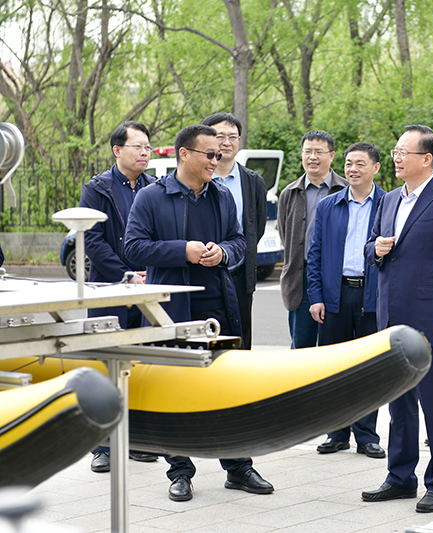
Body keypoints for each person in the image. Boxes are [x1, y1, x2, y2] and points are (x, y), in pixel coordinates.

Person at [125, 124, 273, 501]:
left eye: (219, 155)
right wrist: (183, 251)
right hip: (172, 312)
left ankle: (238, 467)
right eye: (209, 154)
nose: (216, 160)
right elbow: (134, 248)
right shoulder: (151, 197)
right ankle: (180, 471)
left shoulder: (221, 195)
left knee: (229, 389)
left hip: (219, 308)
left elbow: (239, 241)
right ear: (184, 154)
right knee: (173, 392)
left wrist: (223, 253)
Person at [362, 125, 433, 513]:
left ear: (426, 159)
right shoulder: (389, 200)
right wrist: (375, 248)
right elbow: (371, 248)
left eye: (402, 152)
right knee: (399, 404)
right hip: (391, 319)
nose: (395, 157)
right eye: (395, 151)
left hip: (430, 323)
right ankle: (400, 477)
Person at [79, 121, 158, 472]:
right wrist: (127, 274)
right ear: (117, 150)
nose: (144, 152)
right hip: (110, 289)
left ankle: (137, 441)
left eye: (147, 147)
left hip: (147, 288)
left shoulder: (154, 188)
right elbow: (92, 241)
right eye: (137, 146)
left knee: (140, 367)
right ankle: (103, 446)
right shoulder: (97, 189)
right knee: (105, 367)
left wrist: (149, 273)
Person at [307, 142, 387, 459]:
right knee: (333, 368)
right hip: (335, 295)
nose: (353, 169)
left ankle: (367, 436)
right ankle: (336, 433)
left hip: (372, 296)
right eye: (349, 163)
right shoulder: (329, 206)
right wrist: (316, 297)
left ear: (375, 168)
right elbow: (315, 254)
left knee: (369, 369)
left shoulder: (388, 204)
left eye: (360, 164)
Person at [202, 112, 268, 350]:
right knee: (205, 339)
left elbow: (256, 227)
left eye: (233, 137)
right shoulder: (197, 179)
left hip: (239, 273)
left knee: (240, 339)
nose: (227, 142)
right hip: (202, 271)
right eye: (220, 136)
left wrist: (234, 252)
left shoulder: (253, 181)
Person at [277, 130, 348, 349]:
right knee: (301, 346)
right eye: (307, 151)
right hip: (302, 278)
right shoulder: (289, 193)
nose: (312, 157)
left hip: (339, 277)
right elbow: (285, 235)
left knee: (337, 347)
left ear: (332, 155)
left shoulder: (347, 190)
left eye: (319, 152)